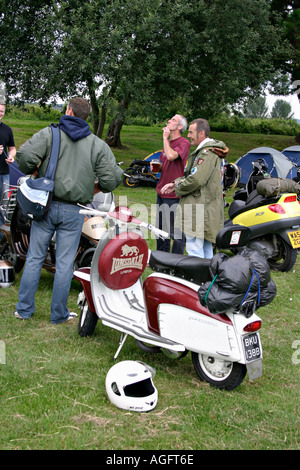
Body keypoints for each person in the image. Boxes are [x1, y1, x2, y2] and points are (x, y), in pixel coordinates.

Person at [14, 97, 123, 324]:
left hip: (46, 205)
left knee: (34, 257)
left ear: (69, 111)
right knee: (64, 264)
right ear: (86, 117)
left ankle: (23, 310)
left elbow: (24, 159)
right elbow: (112, 178)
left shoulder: (49, 134)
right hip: (75, 211)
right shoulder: (97, 144)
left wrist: (36, 171)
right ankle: (59, 315)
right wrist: (97, 187)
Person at [161, 118, 228, 259]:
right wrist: (176, 182)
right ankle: (207, 279)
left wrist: (177, 186)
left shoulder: (207, 153)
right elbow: (193, 175)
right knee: (205, 247)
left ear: (201, 133)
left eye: (191, 132)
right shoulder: (210, 150)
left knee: (195, 248)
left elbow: (197, 179)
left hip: (200, 208)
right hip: (205, 207)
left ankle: (198, 280)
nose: (188, 135)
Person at [150, 114, 190, 253]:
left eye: (173, 120)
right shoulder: (168, 143)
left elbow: (172, 156)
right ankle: (161, 260)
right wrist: (158, 167)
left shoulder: (184, 143)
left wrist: (164, 138)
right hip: (161, 191)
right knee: (160, 229)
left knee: (176, 232)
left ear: (179, 127)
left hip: (173, 194)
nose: (168, 121)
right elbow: (166, 162)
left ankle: (175, 262)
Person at [0, 102, 16, 226]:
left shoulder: (7, 129)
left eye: (2, 111)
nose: (0, 113)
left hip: (4, 172)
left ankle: (1, 237)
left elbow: (12, 148)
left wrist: (11, 155)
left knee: (3, 205)